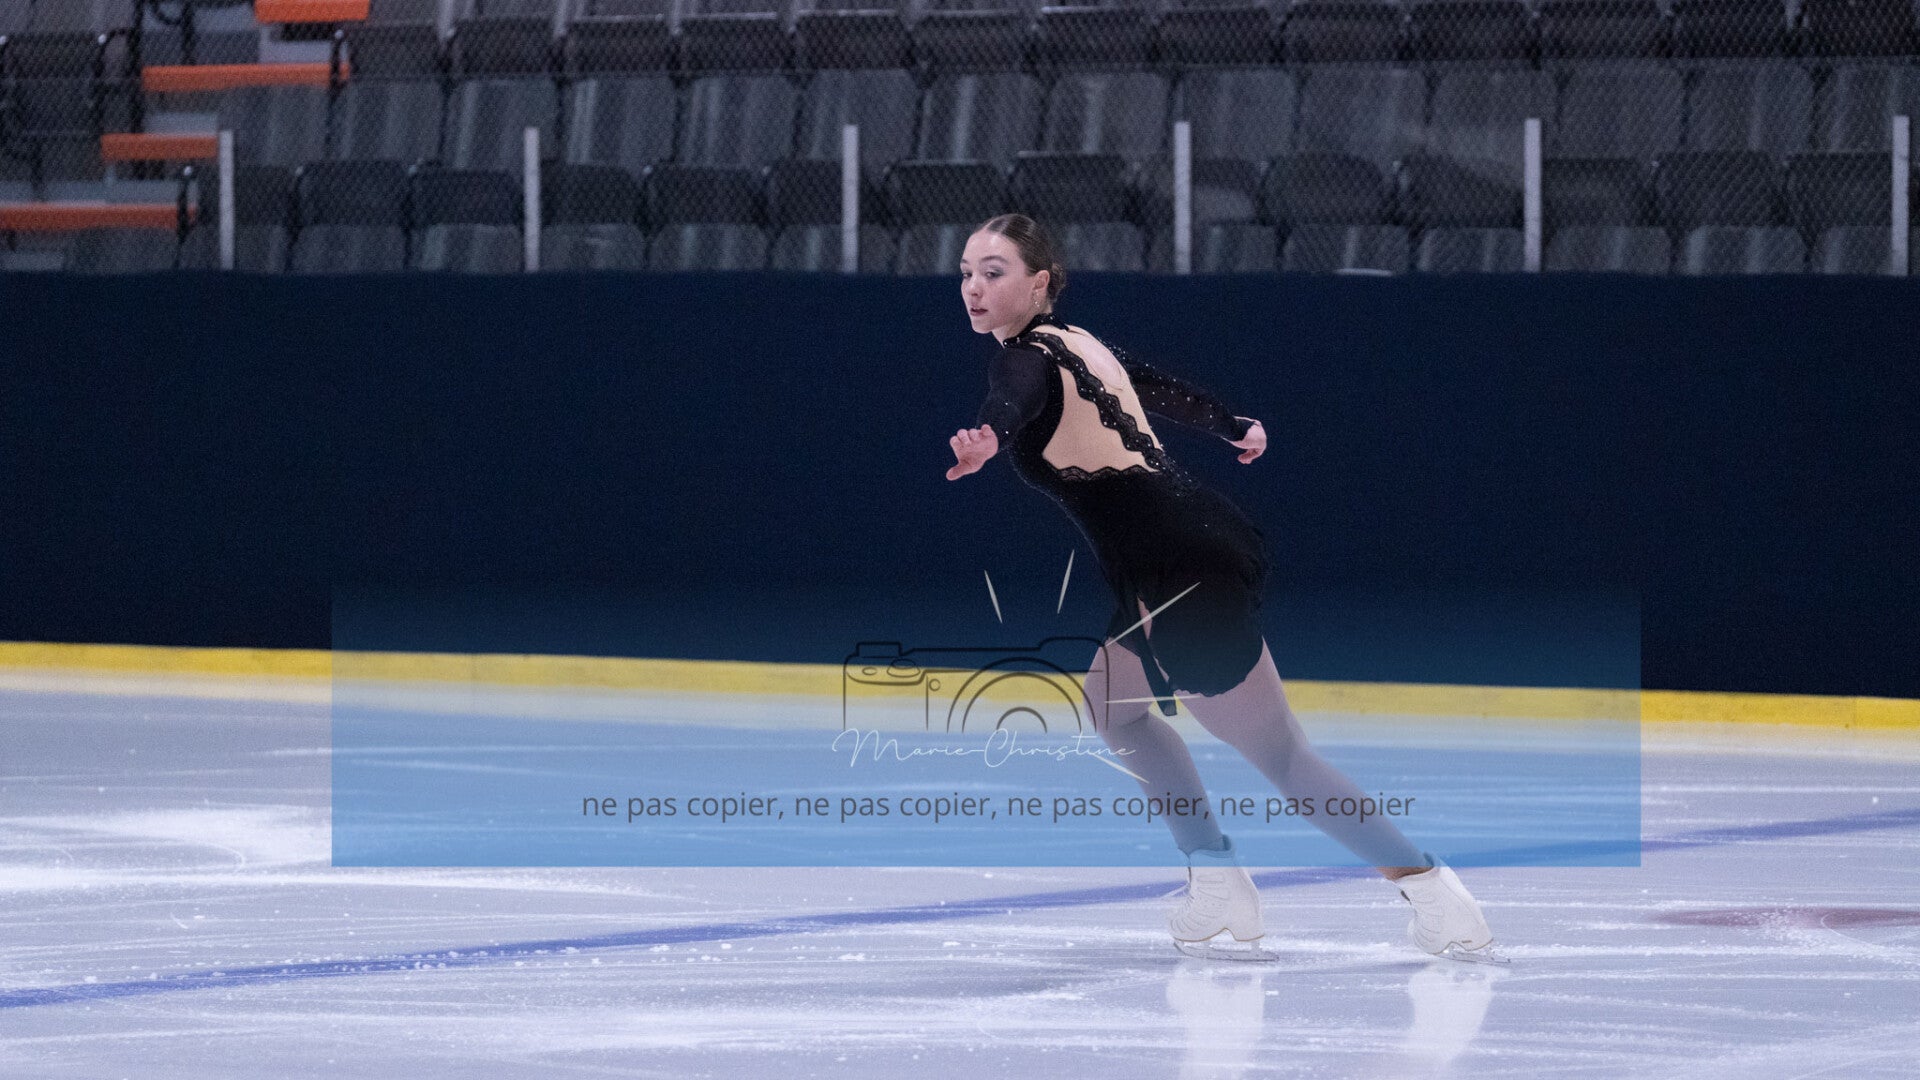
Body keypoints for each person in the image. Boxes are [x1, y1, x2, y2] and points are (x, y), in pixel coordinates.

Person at [945, 214, 1505, 965]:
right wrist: (1230, 423)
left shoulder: (1025, 359)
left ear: (1039, 283)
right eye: (967, 272)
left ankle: (1432, 894)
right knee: (1113, 707)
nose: (974, 287)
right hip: (1184, 547)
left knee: (1282, 758)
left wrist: (989, 435)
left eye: (994, 272)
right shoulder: (1077, 343)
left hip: (1179, 566)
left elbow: (1011, 397)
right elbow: (1154, 387)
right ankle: (1216, 878)